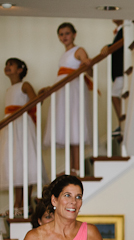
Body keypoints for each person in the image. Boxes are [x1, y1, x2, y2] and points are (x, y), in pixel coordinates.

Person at [40, 22, 92, 177]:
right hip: (63, 91)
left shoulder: (79, 50)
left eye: (67, 33)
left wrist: (86, 63)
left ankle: (76, 168)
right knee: (67, 128)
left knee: (74, 126)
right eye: (61, 34)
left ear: (74, 34)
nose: (64, 37)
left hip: (73, 90)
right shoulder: (64, 55)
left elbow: (88, 67)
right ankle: (71, 167)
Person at [0, 58, 47, 216]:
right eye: (6, 65)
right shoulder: (8, 90)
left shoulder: (24, 86)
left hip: (22, 125)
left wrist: (41, 95)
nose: (7, 67)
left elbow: (34, 102)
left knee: (26, 160)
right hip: (10, 126)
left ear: (20, 69)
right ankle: (17, 203)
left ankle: (25, 203)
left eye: (10, 64)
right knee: (15, 163)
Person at [100, 20, 124, 133]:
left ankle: (123, 123)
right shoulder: (120, 30)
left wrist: (109, 46)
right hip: (119, 72)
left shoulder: (125, 29)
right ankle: (122, 123)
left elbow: (120, 45)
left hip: (121, 71)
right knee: (117, 96)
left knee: (114, 95)